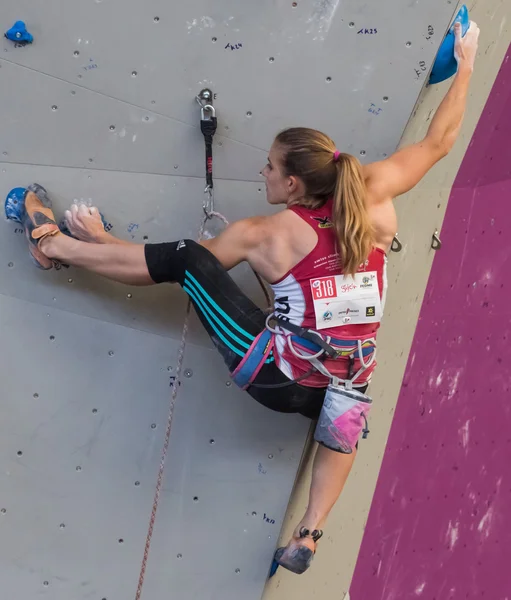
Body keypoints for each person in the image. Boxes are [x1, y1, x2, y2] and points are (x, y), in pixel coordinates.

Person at [13, 21, 479, 575]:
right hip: (340, 382)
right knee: (346, 408)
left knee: (187, 258)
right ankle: (309, 532)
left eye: (269, 167)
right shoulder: (376, 195)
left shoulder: (267, 233)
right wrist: (467, 58)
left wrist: (107, 243)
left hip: (278, 380)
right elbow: (440, 141)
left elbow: (188, 266)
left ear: (292, 187)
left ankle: (51, 245)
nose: (262, 170)